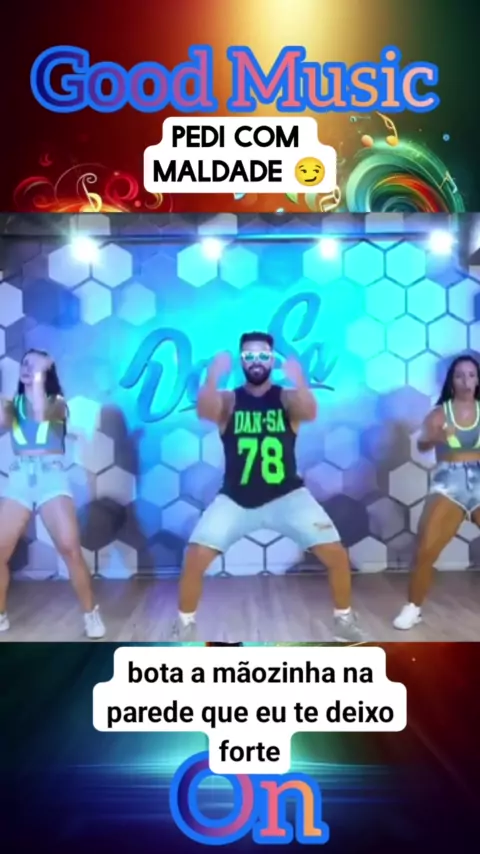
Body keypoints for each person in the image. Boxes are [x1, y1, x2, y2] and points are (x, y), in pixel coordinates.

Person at [171, 332, 368, 642]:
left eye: (263, 355)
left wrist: (299, 379)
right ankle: (184, 625)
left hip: (288, 495)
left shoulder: (286, 397)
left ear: (272, 360)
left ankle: (343, 621)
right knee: (195, 557)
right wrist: (212, 376)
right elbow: (205, 410)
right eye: (249, 356)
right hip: (236, 498)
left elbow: (309, 411)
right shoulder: (229, 399)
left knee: (336, 555)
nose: (256, 361)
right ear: (242, 361)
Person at [0, 349, 106, 639]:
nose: (26, 368)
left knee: (70, 549)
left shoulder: (57, 403)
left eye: (34, 365)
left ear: (46, 371)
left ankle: (91, 614)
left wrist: (37, 378)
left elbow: (39, 413)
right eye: (25, 363)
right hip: (19, 478)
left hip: (51, 477)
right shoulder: (11, 405)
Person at [394, 354, 480, 630]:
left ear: (478, 380)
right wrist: (437, 437)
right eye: (460, 375)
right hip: (449, 485)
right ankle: (413, 608)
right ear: (452, 381)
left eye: (471, 375)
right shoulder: (439, 413)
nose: (466, 380)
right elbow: (422, 446)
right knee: (426, 549)